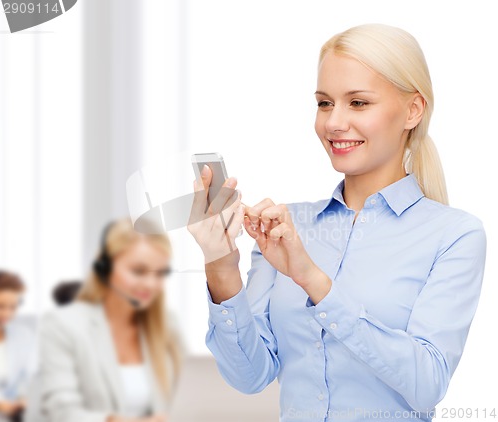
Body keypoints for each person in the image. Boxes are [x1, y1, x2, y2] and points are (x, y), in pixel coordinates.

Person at [187, 24, 487, 422]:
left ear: (413, 111)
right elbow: (251, 375)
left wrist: (314, 280)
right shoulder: (287, 226)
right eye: (325, 103)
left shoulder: (454, 236)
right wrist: (221, 266)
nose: (333, 123)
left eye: (358, 103)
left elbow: (427, 383)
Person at [35, 218, 181, 422]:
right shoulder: (62, 324)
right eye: (138, 271)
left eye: (160, 274)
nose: (151, 284)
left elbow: (175, 404)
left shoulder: (167, 326)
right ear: (105, 269)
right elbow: (61, 412)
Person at [0, 271, 36, 422]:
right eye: (0, 306)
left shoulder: (23, 335)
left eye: (13, 307)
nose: (7, 313)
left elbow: (29, 376)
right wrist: (0, 404)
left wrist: (24, 399)